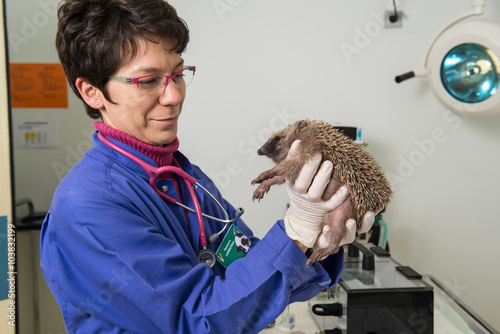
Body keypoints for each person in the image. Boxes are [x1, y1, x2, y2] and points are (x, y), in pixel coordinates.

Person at [40, 1, 376, 333]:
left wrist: (318, 237)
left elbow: (249, 284)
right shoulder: (88, 206)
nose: (173, 96)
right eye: (148, 81)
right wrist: (294, 233)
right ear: (92, 92)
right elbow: (202, 320)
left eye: (178, 74)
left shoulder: (185, 178)